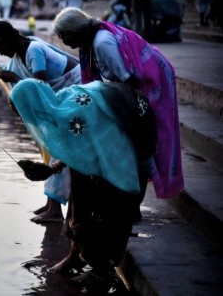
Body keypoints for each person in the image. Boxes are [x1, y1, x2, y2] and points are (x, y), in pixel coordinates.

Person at [11, 78, 157, 293]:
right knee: (78, 207)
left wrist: (59, 169)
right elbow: (78, 147)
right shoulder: (62, 106)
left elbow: (102, 145)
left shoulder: (75, 110)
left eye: (23, 113)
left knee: (99, 214)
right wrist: (51, 169)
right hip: (104, 156)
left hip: (121, 156)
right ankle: (75, 258)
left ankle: (101, 272)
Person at [52, 7, 184, 214]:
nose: (64, 42)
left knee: (140, 148)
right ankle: (130, 207)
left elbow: (130, 81)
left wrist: (130, 118)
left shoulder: (102, 43)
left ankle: (132, 209)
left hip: (149, 85)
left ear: (74, 31)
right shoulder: (92, 42)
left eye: (64, 36)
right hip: (132, 88)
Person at [0, 21, 81, 224]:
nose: (0, 54)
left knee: (58, 149)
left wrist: (14, 77)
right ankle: (50, 202)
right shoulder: (20, 53)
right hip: (60, 99)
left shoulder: (33, 50)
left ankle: (55, 210)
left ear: (4, 40)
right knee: (52, 148)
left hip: (73, 95)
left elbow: (41, 90)